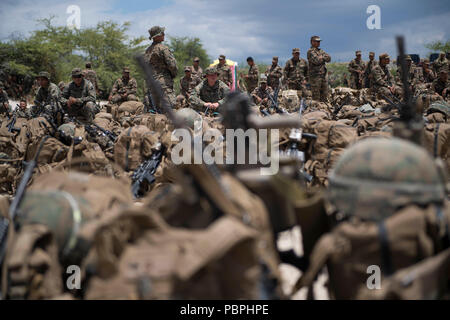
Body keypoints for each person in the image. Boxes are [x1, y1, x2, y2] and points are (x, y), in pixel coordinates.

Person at [145, 26, 178, 106]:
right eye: (162, 33)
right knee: (169, 108)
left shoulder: (148, 50)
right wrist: (173, 75)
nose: (164, 34)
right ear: (157, 36)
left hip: (151, 83)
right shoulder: (163, 49)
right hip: (164, 83)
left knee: (155, 109)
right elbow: (172, 65)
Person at [307, 36, 331, 102]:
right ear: (312, 42)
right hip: (315, 76)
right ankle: (316, 110)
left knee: (324, 94)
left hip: (323, 75)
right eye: (317, 41)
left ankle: (323, 109)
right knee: (316, 96)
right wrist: (323, 57)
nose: (319, 43)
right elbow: (316, 60)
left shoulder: (321, 51)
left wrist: (321, 57)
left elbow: (329, 58)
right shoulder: (310, 51)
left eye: (319, 41)